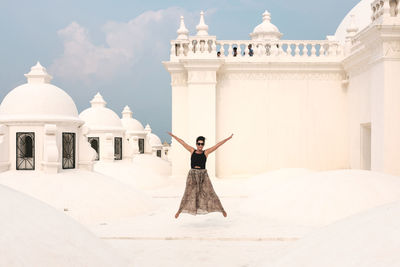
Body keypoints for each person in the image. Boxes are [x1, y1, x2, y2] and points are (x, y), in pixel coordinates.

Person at [167, 132, 233, 218]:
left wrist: (227, 139)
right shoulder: (192, 150)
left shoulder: (206, 153)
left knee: (210, 192)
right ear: (196, 144)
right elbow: (182, 142)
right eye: (199, 144)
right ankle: (179, 211)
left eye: (202, 144)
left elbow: (217, 145)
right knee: (188, 193)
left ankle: (221, 209)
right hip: (192, 175)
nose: (200, 145)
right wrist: (173, 136)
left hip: (203, 176)